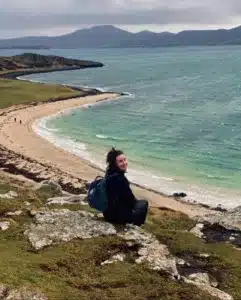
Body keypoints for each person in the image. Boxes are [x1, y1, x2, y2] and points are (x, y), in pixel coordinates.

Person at [103, 147, 148, 226]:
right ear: (115, 164)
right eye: (120, 161)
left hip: (107, 214)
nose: (124, 163)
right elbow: (131, 201)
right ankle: (137, 226)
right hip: (117, 217)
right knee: (144, 203)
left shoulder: (109, 174)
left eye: (125, 159)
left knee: (137, 204)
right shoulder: (120, 179)